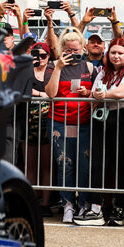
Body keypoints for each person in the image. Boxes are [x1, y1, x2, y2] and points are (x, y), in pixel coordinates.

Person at [78, 38, 124, 226]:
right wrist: (93, 94)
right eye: (113, 52)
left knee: (123, 165)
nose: (116, 56)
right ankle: (96, 209)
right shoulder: (103, 72)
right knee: (98, 163)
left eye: (120, 53)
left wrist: (102, 94)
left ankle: (120, 209)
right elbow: (94, 93)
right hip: (102, 118)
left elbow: (122, 93)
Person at [44, 29, 95, 223]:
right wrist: (58, 67)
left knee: (84, 165)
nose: (73, 54)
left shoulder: (89, 67)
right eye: (69, 50)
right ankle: (67, 205)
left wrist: (87, 91)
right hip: (59, 122)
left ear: (82, 48)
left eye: (76, 49)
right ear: (62, 49)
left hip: (84, 121)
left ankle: (83, 204)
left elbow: (98, 91)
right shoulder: (52, 66)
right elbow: (50, 93)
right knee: (64, 164)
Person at [24, 43, 55, 217]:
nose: (40, 58)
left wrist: (40, 93)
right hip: (27, 121)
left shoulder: (52, 70)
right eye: (36, 54)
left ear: (49, 56)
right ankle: (30, 202)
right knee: (30, 165)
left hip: (47, 122)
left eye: (44, 55)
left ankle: (45, 203)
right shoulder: (26, 70)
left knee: (46, 165)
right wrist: (39, 94)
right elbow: (20, 88)